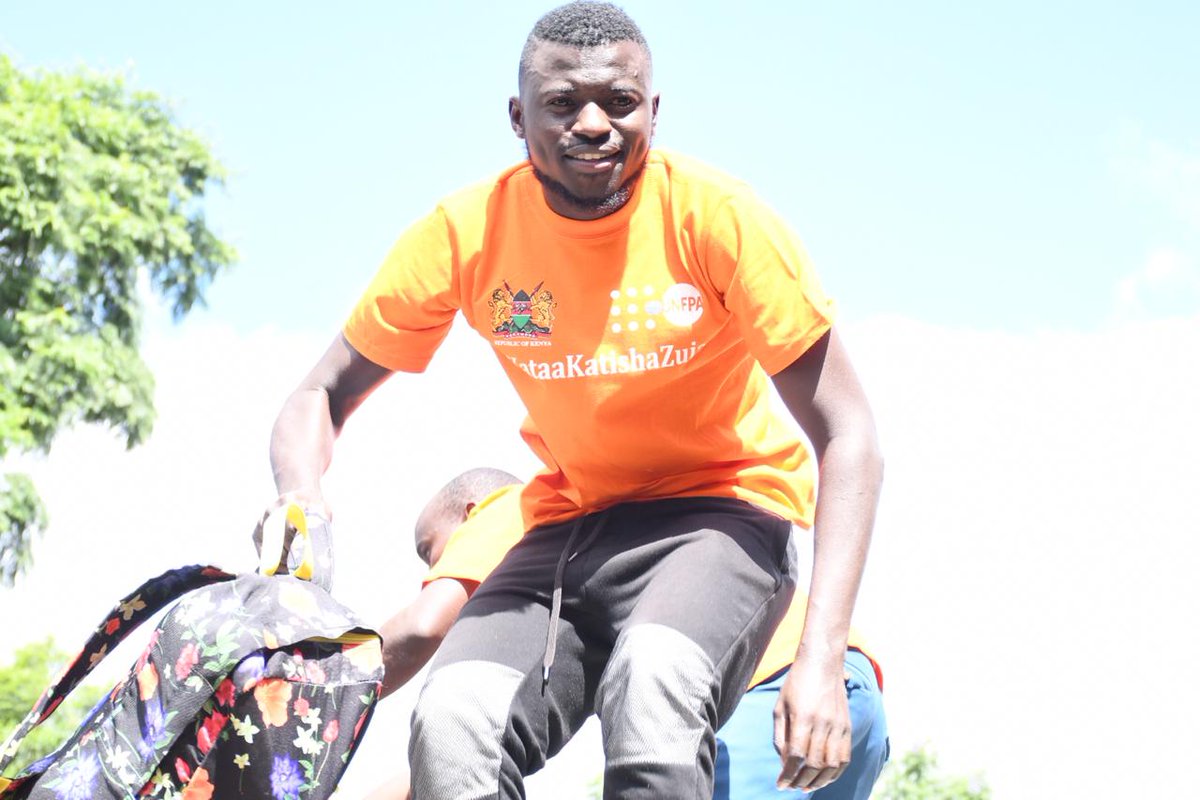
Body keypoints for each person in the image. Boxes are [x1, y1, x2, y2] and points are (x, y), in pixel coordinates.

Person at [265, 2, 883, 797]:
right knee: (453, 717)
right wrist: (300, 498)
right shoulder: (466, 233)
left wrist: (822, 656)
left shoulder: (717, 218)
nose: (593, 124)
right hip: (572, 525)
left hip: (719, 513)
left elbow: (850, 434)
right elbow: (319, 393)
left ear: (652, 110)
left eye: (619, 102)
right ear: (517, 117)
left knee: (654, 681)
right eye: (563, 103)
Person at [364, 469, 888, 800]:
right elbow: (465, 760)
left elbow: (423, 625)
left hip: (769, 691)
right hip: (834, 692)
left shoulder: (510, 511)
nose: (433, 569)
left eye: (431, 550)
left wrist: (326, 681)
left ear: (468, 514)